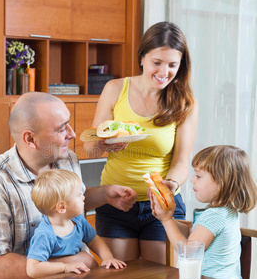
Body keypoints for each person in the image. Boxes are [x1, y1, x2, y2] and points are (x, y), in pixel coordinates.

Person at [0, 92, 137, 279]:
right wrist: (74, 262)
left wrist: (104, 194)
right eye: (61, 129)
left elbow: (65, 205)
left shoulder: (67, 159)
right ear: (30, 139)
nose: (72, 134)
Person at [83, 21, 198, 263]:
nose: (163, 71)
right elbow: (90, 146)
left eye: (172, 65)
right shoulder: (115, 89)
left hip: (161, 206)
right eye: (157, 62)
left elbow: (180, 161)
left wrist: (172, 185)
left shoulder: (185, 102)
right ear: (142, 58)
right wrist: (103, 144)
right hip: (115, 202)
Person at [151, 145, 257, 279]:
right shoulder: (225, 211)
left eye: (198, 176)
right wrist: (165, 217)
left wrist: (167, 220)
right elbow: (193, 233)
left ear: (221, 182)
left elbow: (188, 252)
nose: (192, 180)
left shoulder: (215, 215)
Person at [26, 169, 126, 278]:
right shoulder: (45, 234)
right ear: (62, 207)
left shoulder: (78, 220)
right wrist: (65, 267)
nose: (83, 197)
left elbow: (94, 241)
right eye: (78, 195)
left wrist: (108, 257)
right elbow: (32, 269)